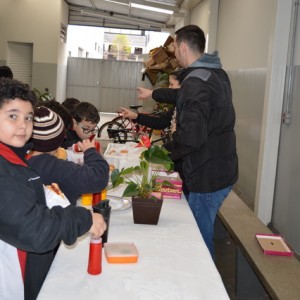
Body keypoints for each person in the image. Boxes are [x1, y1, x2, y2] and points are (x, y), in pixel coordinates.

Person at [0, 78, 107, 300]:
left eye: (28, 118)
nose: (23, 125)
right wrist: (84, 218)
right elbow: (33, 229)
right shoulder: (5, 169)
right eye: (13, 116)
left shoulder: (16, 161)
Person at [138, 25, 238, 259]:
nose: (174, 54)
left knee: (198, 243)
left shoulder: (196, 82)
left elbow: (190, 138)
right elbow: (185, 96)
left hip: (207, 175)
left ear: (182, 47)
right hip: (222, 167)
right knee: (199, 234)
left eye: (174, 49)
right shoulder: (214, 73)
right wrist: (153, 94)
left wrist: (162, 153)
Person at [27, 106, 109, 206]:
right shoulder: (59, 168)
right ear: (57, 140)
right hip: (61, 219)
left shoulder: (18, 162)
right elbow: (99, 178)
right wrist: (91, 152)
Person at [120, 69, 184, 131]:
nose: (169, 87)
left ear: (183, 86)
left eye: (171, 84)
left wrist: (151, 93)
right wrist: (135, 116)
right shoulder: (178, 105)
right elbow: (160, 123)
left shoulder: (186, 107)